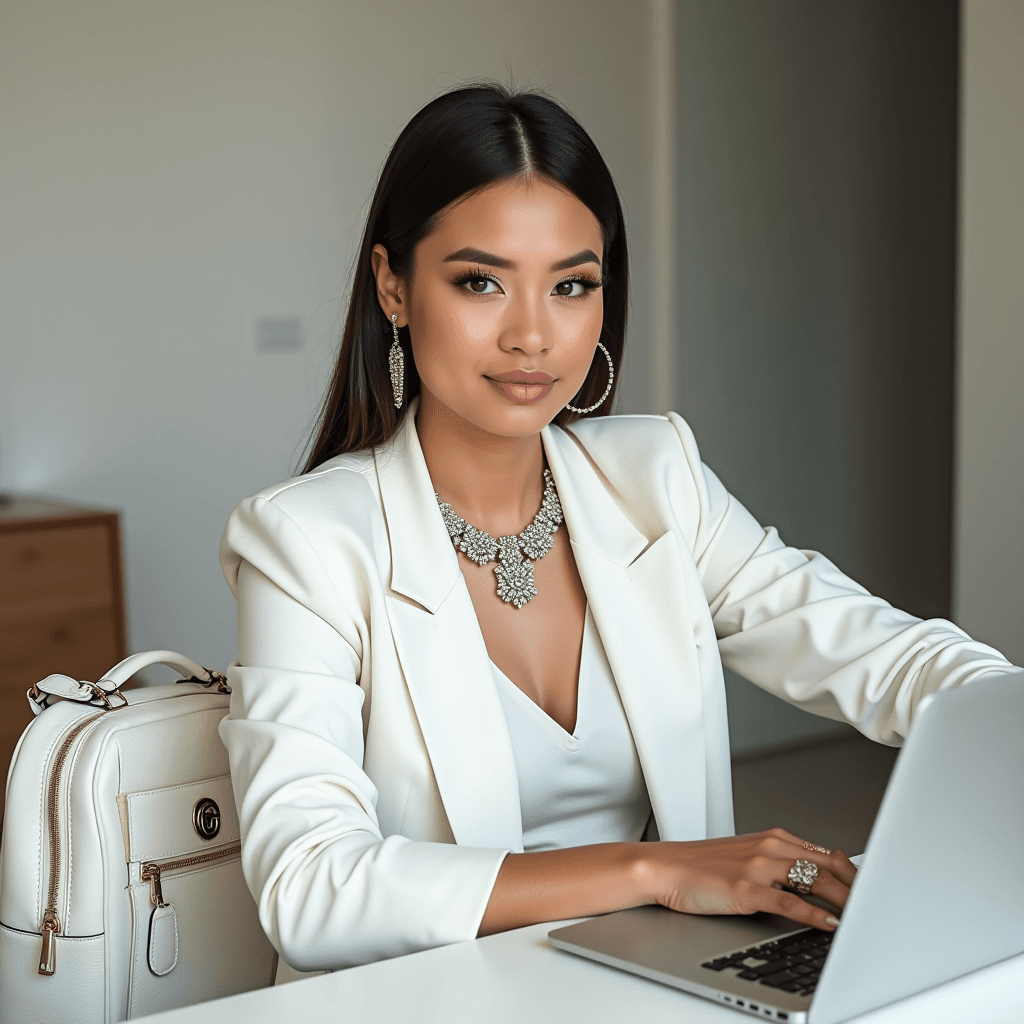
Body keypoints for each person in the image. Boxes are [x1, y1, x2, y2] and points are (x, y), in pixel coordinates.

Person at [218, 83, 1018, 973]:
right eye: (480, 281)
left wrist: (1006, 714)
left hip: (662, 985)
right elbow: (311, 888)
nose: (532, 336)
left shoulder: (655, 477)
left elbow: (878, 652)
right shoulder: (304, 544)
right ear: (392, 287)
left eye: (571, 285)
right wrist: (657, 870)